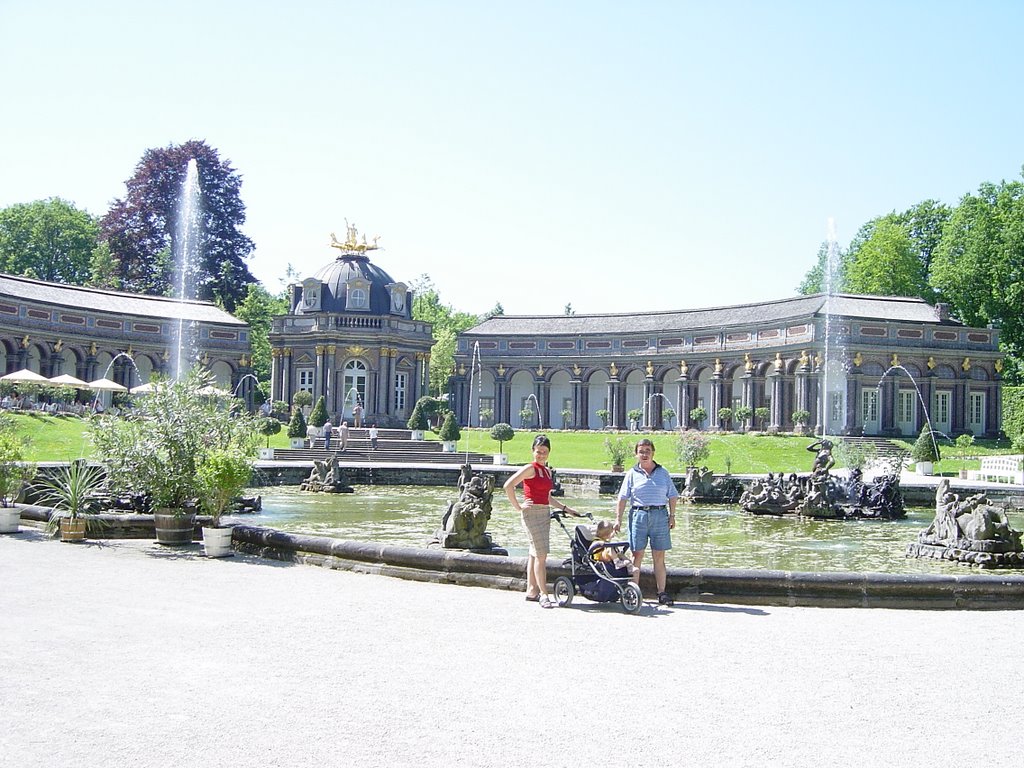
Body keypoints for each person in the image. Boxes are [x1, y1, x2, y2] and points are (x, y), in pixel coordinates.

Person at [503, 434, 579, 608]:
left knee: (534, 553)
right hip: (531, 514)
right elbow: (508, 485)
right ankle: (544, 594)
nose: (541, 455)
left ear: (549, 452)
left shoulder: (547, 471)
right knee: (541, 555)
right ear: (533, 451)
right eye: (538, 451)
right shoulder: (530, 468)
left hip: (544, 513)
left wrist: (566, 509)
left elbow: (547, 497)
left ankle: (532, 591)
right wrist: (518, 506)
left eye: (544, 452)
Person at [614, 438, 678, 606]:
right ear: (636, 454)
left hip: (659, 515)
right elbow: (622, 498)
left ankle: (662, 593)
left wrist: (672, 516)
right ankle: (633, 593)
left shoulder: (663, 473)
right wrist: (618, 520)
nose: (644, 454)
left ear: (653, 453)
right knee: (637, 555)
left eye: (647, 451)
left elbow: (673, 495)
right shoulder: (632, 473)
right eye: (641, 451)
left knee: (659, 556)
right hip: (638, 515)